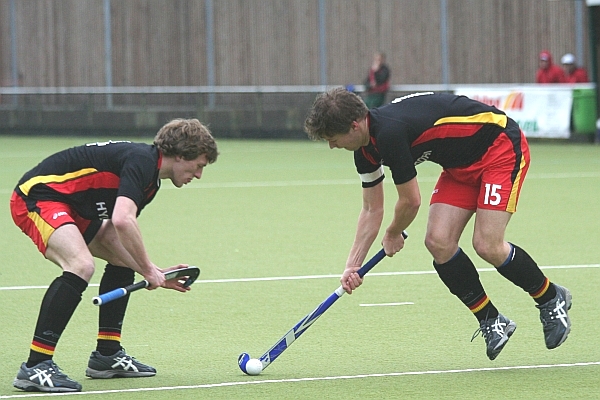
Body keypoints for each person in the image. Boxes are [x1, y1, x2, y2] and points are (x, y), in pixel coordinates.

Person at [304, 87, 572, 361]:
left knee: (487, 244)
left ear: (354, 125)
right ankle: (491, 319)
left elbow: (411, 201)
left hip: (499, 148)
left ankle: (550, 297)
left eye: (333, 139)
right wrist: (353, 265)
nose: (332, 146)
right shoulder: (365, 151)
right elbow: (372, 209)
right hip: (459, 167)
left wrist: (393, 233)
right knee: (438, 241)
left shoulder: (389, 133)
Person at [10, 118, 219, 392]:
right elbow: (122, 220)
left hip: (73, 205)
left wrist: (154, 271)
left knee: (121, 259)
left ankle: (107, 355)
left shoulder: (151, 180)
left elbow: (112, 234)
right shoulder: (142, 162)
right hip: (38, 196)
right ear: (181, 155)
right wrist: (148, 270)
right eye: (199, 165)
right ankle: (36, 365)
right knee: (80, 265)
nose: (199, 175)